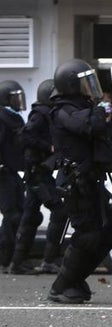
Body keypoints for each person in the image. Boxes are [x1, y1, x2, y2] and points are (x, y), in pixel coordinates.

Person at [47, 60, 112, 303]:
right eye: (84, 83)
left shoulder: (84, 107)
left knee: (110, 234)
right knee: (87, 235)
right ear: (71, 86)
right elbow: (89, 125)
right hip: (76, 183)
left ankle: (76, 278)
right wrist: (103, 110)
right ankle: (61, 286)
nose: (89, 88)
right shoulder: (63, 109)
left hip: (92, 180)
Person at [11, 80, 60, 275]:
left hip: (38, 172)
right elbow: (26, 136)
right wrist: (48, 147)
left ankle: (17, 262)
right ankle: (49, 259)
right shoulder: (40, 114)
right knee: (60, 209)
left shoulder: (46, 113)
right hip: (38, 172)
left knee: (30, 217)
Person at [0, 80, 28, 273]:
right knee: (12, 215)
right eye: (14, 98)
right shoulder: (2, 119)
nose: (18, 102)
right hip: (4, 174)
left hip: (13, 172)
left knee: (20, 213)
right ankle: (6, 258)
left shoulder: (14, 118)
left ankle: (14, 259)